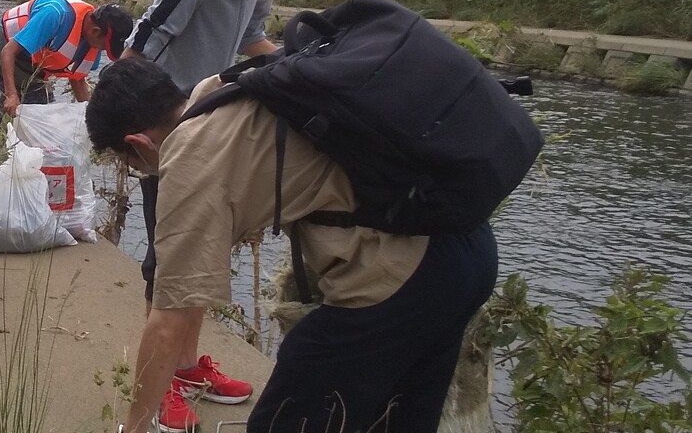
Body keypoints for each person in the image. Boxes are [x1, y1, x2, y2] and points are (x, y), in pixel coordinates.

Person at [86, 58, 499, 433]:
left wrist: (134, 427)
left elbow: (166, 323)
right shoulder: (223, 88)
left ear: (139, 143)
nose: (139, 171)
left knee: (282, 420)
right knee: (395, 419)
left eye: (130, 163)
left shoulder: (189, 162)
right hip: (464, 243)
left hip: (404, 273)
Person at [118, 0, 323, 432]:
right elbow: (139, 47)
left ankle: (185, 368)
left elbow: (253, 37)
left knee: (202, 256)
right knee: (167, 264)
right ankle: (160, 389)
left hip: (211, 127)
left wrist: (303, 64)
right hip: (166, 132)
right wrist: (148, 128)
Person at [0, 0, 133, 169]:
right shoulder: (55, 15)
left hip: (34, 74)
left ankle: (35, 187)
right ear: (95, 31)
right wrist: (11, 94)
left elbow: (77, 78)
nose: (102, 50)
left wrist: (93, 117)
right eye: (105, 46)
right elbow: (8, 52)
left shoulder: (92, 42)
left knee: (45, 135)